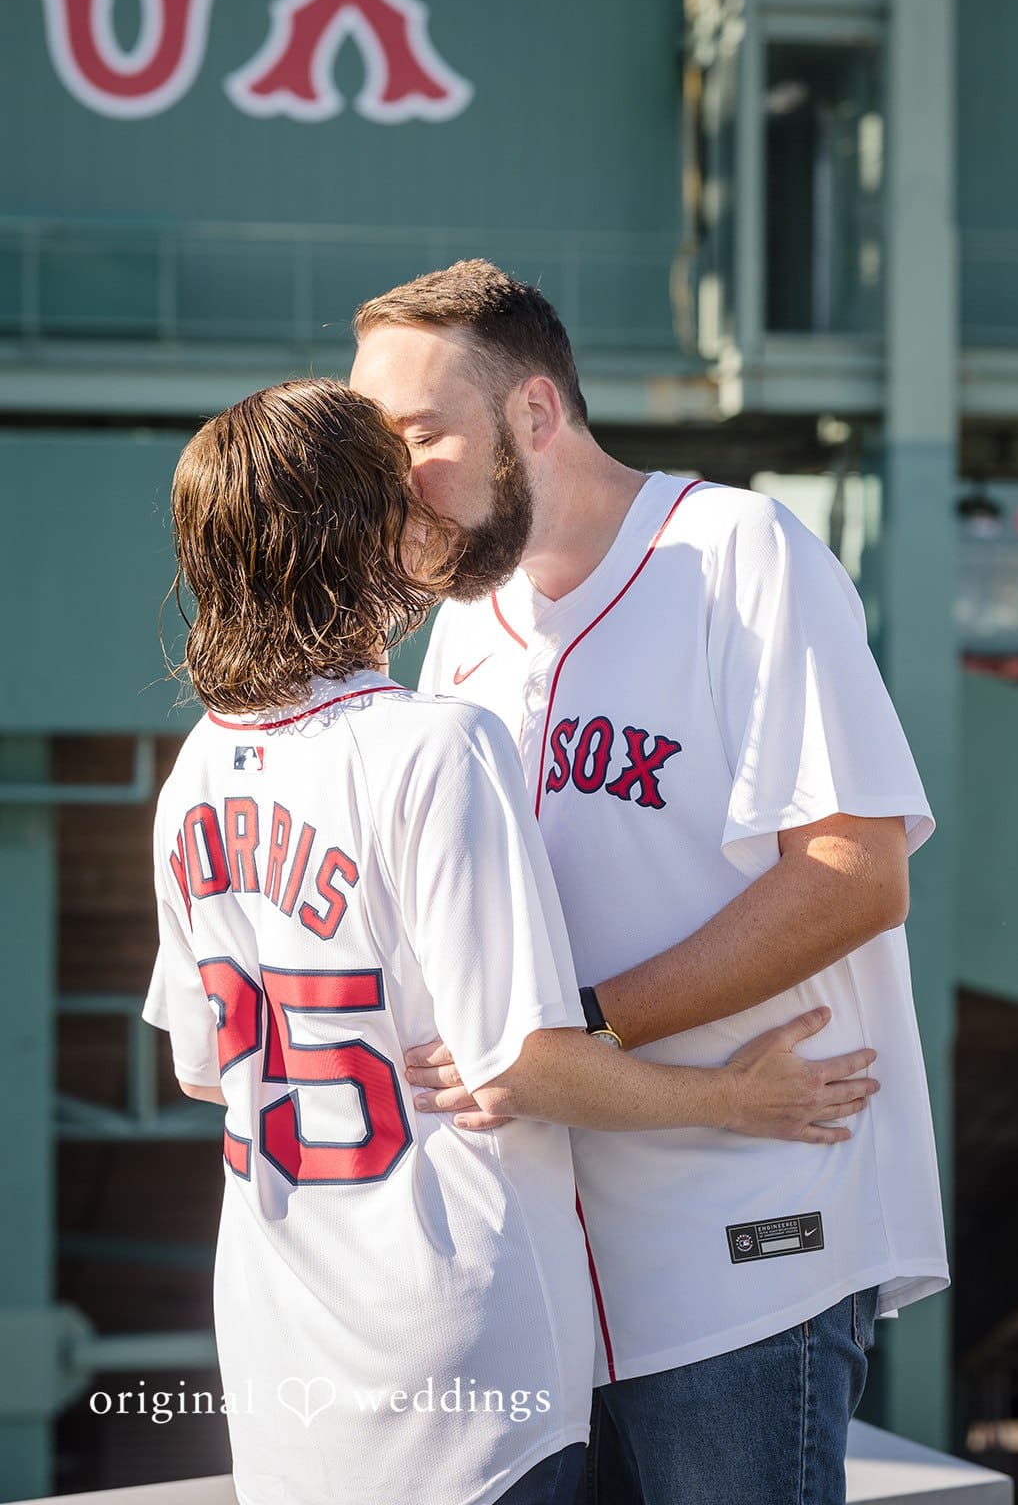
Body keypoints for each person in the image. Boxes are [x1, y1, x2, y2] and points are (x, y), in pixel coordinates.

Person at [142, 378, 881, 1505]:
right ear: (375, 532)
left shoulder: (194, 767)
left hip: (281, 1341)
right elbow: (521, 1067)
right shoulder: (434, 746)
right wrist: (733, 1100)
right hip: (459, 1343)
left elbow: (204, 1070)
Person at [348, 262, 951, 1505]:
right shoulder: (463, 621)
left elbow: (853, 876)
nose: (395, 476)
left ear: (532, 411)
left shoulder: (738, 551)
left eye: (419, 435)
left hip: (744, 1240)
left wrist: (580, 1024)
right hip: (551, 1267)